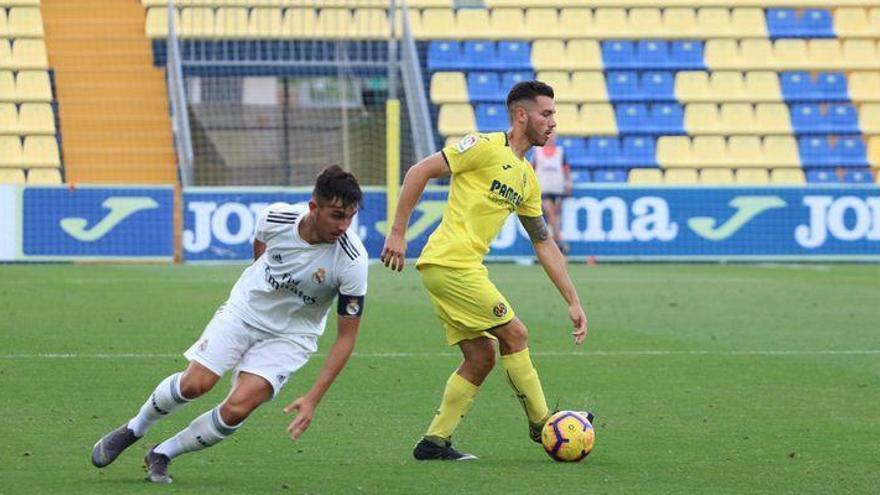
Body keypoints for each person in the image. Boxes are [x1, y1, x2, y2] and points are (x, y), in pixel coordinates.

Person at [90, 165, 368, 483]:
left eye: (350, 216)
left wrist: (313, 397)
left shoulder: (352, 261)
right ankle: (133, 429)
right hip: (244, 312)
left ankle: (162, 453)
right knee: (195, 384)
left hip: (292, 336)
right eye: (336, 215)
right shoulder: (277, 217)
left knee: (237, 408)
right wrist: (262, 280)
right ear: (313, 207)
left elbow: (346, 337)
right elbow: (261, 246)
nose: (343, 226)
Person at [380, 81, 590, 460]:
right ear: (522, 115)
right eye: (546, 114)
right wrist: (397, 232)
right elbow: (419, 171)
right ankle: (544, 424)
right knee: (515, 333)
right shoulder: (482, 146)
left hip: (456, 268)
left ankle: (434, 442)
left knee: (481, 357)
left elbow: (543, 241)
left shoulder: (527, 178)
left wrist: (572, 300)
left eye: (554, 115)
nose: (553, 122)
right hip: (450, 264)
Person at [531, 133, 572, 254]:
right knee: (551, 214)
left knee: (553, 218)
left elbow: (565, 169)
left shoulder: (560, 152)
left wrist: (568, 182)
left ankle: (551, 248)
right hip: (543, 189)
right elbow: (531, 168)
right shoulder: (537, 151)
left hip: (557, 189)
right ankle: (560, 241)